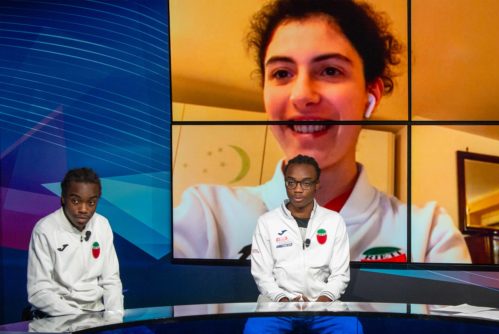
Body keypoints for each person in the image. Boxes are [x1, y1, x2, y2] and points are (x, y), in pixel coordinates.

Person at [173, 0, 471, 263]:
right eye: (282, 73)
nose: (302, 95)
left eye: (330, 70)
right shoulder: (206, 217)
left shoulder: (427, 235)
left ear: (371, 95)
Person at [27, 168, 123, 317]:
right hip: (57, 315)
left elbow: (111, 281)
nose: (84, 209)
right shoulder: (45, 229)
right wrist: (79, 319)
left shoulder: (102, 225)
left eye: (91, 202)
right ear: (63, 198)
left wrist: (114, 318)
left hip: (96, 314)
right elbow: (39, 292)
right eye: (76, 201)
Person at [251, 154, 349, 302]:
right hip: (276, 304)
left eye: (306, 183)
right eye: (291, 182)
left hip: (322, 304)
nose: (297, 189)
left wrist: (319, 304)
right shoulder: (267, 222)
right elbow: (262, 275)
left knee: (347, 318)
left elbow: (340, 275)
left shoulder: (334, 221)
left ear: (317, 184)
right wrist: (285, 302)